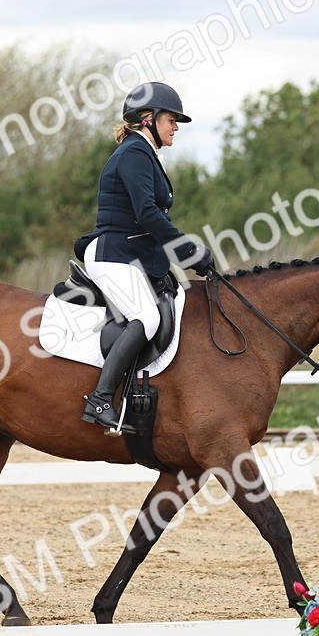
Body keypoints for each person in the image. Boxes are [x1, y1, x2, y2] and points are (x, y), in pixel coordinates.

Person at [73, 81, 215, 434]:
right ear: (148, 118)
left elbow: (150, 222)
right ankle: (101, 398)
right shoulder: (135, 153)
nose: (176, 127)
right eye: (171, 119)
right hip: (112, 255)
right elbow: (149, 215)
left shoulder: (145, 153)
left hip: (131, 254)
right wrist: (189, 251)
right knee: (146, 317)